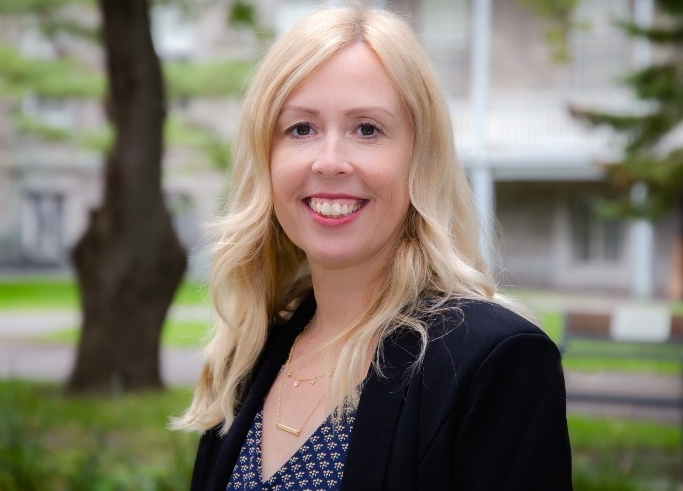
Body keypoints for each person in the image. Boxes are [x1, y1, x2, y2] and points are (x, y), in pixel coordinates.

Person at [173, 5, 572, 490]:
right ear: (267, 157)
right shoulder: (251, 352)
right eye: (301, 128)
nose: (330, 161)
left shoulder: (495, 363)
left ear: (419, 159)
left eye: (367, 129)